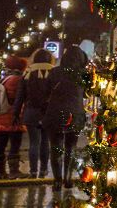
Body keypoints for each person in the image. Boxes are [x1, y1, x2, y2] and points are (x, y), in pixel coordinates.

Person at [43, 46, 90, 190]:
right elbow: (86, 94)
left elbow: (46, 92)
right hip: (75, 114)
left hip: (55, 113)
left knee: (56, 147)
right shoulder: (84, 74)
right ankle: (68, 179)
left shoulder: (55, 72)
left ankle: (57, 181)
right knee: (71, 147)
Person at [14, 49, 57, 178]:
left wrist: (16, 113)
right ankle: (43, 170)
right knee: (45, 141)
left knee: (34, 142)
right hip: (48, 112)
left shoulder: (27, 72)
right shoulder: (54, 72)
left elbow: (20, 96)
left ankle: (33, 171)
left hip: (31, 111)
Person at [0, 55, 28, 179]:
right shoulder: (18, 79)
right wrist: (18, 115)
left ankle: (0, 171)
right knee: (15, 144)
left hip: (1, 116)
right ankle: (14, 170)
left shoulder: (4, 79)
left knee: (1, 143)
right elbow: (17, 99)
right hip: (12, 117)